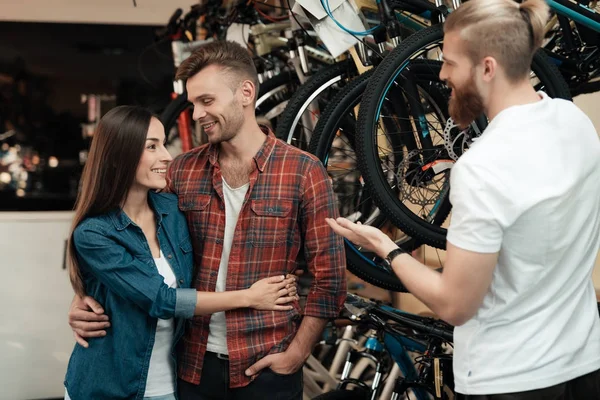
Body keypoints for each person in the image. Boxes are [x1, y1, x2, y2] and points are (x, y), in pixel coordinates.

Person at [327, 0, 600, 398]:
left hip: (511, 379)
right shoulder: (573, 122)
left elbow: (455, 305)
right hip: (583, 365)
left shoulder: (482, 167)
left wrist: (386, 248)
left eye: (450, 62)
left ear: (487, 68)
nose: (441, 73)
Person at [68, 41, 347, 399]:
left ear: (246, 92)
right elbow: (121, 228)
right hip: (191, 366)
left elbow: (330, 279)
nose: (197, 114)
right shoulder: (182, 171)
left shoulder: (303, 172)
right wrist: (84, 297)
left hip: (266, 362)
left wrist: (296, 354)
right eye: (193, 103)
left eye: (207, 101)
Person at [64, 105, 298, 400]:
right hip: (107, 387)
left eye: (163, 143)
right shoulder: (94, 234)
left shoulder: (172, 210)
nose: (166, 156)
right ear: (117, 157)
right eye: (152, 146)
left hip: (171, 384)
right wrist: (250, 297)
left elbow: (217, 253)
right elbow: (161, 299)